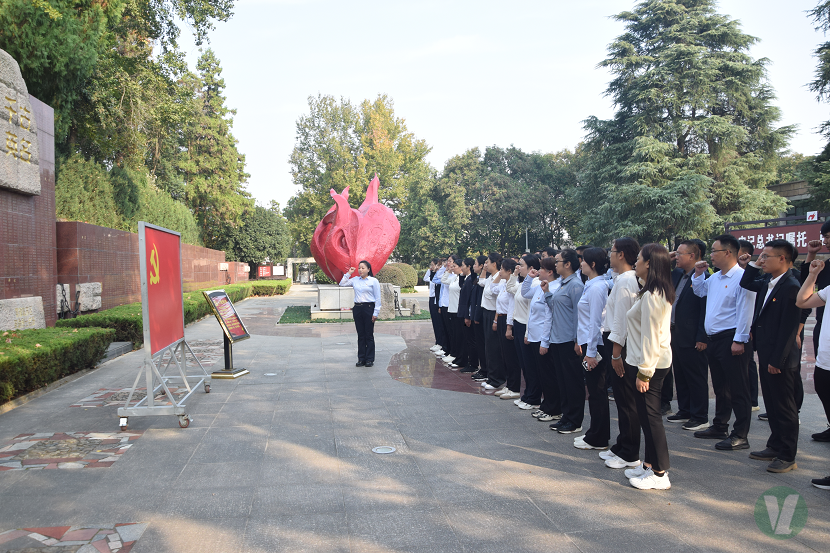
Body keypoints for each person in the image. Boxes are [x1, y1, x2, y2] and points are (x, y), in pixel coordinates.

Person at [739, 240, 802, 473]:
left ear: (782, 259)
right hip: (767, 354)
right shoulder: (769, 280)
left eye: (766, 256)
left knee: (785, 408)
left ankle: (787, 455)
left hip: (781, 359)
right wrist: (753, 265)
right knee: (773, 405)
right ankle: (775, 445)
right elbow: (746, 282)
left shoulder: (791, 286)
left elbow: (789, 330)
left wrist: (778, 360)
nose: (761, 260)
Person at [691, 234, 756, 451]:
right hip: (715, 339)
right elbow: (699, 291)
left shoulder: (742, 277)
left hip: (732, 338)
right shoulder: (715, 278)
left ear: (728, 252)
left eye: (714, 251)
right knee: (721, 387)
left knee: (739, 388)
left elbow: (746, 311)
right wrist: (698, 274)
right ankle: (720, 425)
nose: (711, 255)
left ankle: (741, 434)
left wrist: (740, 339)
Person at [623, 244, 674, 490]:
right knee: (646, 416)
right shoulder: (650, 291)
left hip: (650, 365)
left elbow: (651, 337)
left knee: (651, 418)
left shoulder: (654, 295)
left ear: (649, 263)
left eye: (639, 259)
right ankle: (649, 466)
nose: (636, 263)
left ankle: (660, 473)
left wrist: (644, 372)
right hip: (647, 362)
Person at [600, 237, 644, 469]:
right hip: (616, 343)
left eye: (612, 250)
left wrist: (616, 354)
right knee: (621, 398)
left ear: (621, 254)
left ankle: (630, 452)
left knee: (627, 400)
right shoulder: (622, 279)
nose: (609, 254)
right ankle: (622, 444)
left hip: (621, 345)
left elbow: (622, 321)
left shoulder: (627, 280)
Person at [666, 240, 710, 431]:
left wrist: (702, 337)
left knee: (696, 376)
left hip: (693, 336)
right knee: (681, 374)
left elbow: (705, 309)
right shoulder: (678, 274)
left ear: (692, 256)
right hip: (676, 333)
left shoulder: (703, 277)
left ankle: (700, 416)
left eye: (679, 254)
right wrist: (666, 259)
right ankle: (684, 410)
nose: (676, 257)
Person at [574, 247, 613, 450]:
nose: (580, 264)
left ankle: (599, 438)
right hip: (589, 344)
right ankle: (594, 432)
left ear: (593, 264)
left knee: (597, 392)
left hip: (596, 345)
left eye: (583, 260)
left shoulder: (598, 287)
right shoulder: (591, 284)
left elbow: (596, 322)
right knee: (594, 392)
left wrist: (590, 353)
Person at [544, 249, 585, 434]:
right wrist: (547, 293)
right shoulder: (562, 283)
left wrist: (578, 340)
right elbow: (555, 307)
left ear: (568, 264)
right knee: (563, 381)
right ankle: (566, 416)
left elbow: (579, 315)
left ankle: (575, 420)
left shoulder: (575, 285)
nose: (555, 264)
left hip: (569, 340)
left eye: (558, 261)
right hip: (558, 339)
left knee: (572, 381)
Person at [801, 233, 830, 442]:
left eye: (828, 236)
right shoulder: (826, 266)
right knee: (822, 383)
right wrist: (811, 259)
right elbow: (803, 296)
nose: (826, 241)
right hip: (824, 328)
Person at [525, 256, 559, 419]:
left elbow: (548, 317)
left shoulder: (554, 288)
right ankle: (546, 406)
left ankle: (554, 408)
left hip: (544, 337)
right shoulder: (540, 285)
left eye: (542, 269)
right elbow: (525, 293)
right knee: (541, 373)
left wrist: (544, 342)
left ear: (550, 272)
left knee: (548, 375)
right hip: (534, 335)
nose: (538, 271)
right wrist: (528, 278)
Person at [511, 254, 542, 409]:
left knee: (531, 366)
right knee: (524, 364)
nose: (518, 267)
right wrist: (515, 274)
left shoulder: (536, 283)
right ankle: (528, 395)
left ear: (531, 268)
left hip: (527, 327)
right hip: (519, 324)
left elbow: (532, 311)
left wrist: (527, 332)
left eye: (521, 265)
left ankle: (534, 398)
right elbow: (510, 288)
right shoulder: (524, 283)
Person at [339, 261, 381, 367]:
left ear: (368, 269)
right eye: (359, 268)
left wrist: (376, 313)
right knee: (361, 335)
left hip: (369, 308)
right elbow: (342, 283)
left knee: (369, 334)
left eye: (363, 268)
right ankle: (361, 358)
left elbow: (378, 298)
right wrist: (349, 273)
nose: (360, 270)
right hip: (357, 308)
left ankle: (369, 359)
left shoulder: (373, 281)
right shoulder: (355, 280)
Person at [737, 239, 761, 413]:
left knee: (748, 363)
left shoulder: (756, 275)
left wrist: (750, 327)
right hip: (735, 327)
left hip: (749, 327)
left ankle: (752, 400)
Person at [492, 258, 521, 396]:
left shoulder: (514, 286)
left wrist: (509, 327)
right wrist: (499, 276)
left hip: (509, 321)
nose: (500, 271)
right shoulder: (504, 284)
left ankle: (514, 388)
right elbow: (492, 288)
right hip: (501, 319)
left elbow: (511, 308)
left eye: (502, 269)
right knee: (504, 354)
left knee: (511, 356)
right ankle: (509, 385)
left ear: (510, 271)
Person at [478, 253, 505, 386]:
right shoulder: (490, 277)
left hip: (494, 314)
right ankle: (491, 376)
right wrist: (484, 270)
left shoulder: (500, 278)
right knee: (488, 346)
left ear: (494, 264)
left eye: (487, 262)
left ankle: (496, 379)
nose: (485, 264)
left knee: (494, 348)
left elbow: (498, 300)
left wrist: (495, 320)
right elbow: (481, 282)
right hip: (486, 313)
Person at [457, 257, 478, 373]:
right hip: (464, 312)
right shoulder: (467, 278)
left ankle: (473, 364)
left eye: (463, 265)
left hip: (467, 314)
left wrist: (467, 316)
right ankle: (470, 362)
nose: (461, 268)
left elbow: (469, 300)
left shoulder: (471, 280)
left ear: (469, 267)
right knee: (467, 339)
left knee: (471, 340)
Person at [469, 255, 489, 377]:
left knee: (482, 344)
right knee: (480, 343)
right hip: (476, 315)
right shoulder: (478, 278)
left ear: (482, 266)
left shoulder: (486, 280)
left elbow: (481, 300)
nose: (473, 266)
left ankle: (485, 370)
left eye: (475, 264)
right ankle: (483, 369)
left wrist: (477, 317)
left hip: (481, 316)